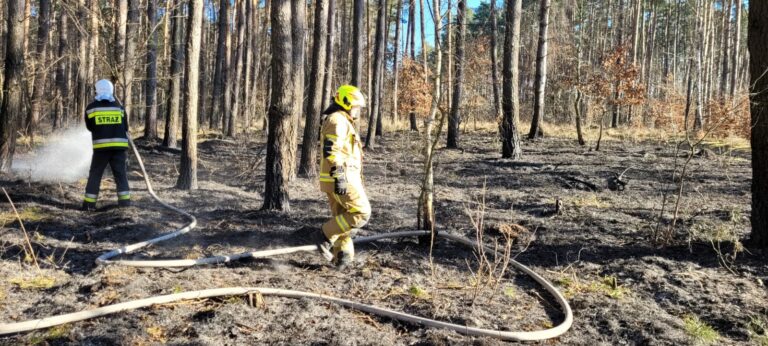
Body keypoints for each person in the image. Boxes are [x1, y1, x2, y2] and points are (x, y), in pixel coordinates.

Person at [313, 85, 371, 268]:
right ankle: (324, 235)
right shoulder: (337, 120)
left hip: (341, 177)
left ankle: (342, 258)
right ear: (346, 103)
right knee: (361, 212)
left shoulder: (343, 120)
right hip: (340, 177)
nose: (357, 111)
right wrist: (340, 177)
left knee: (342, 219)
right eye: (356, 106)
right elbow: (332, 151)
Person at [81, 79, 131, 211]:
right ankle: (125, 203)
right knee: (121, 175)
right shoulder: (119, 107)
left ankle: (89, 205)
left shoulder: (91, 108)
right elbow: (126, 127)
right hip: (119, 149)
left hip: (101, 149)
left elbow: (90, 127)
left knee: (95, 175)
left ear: (97, 90)